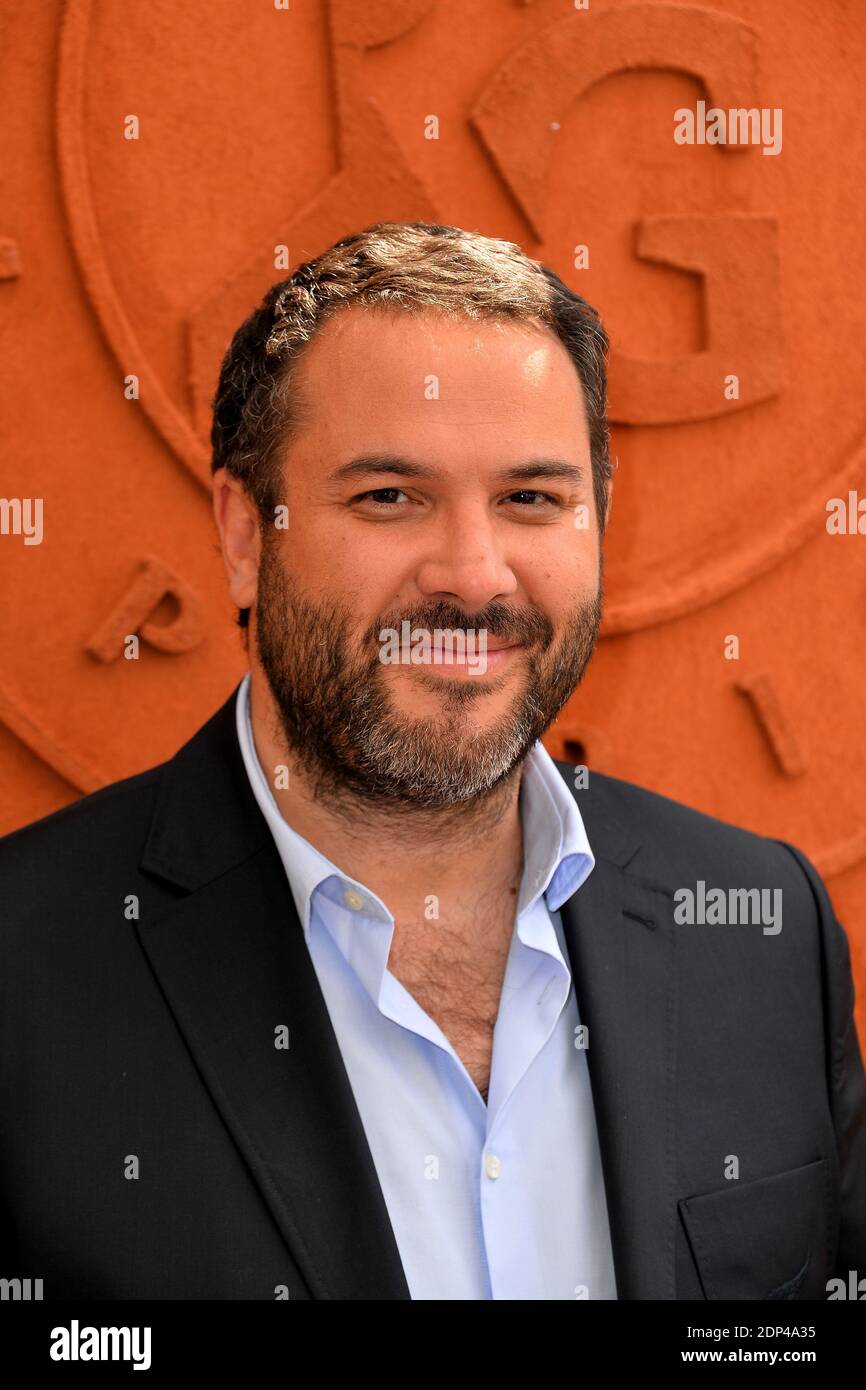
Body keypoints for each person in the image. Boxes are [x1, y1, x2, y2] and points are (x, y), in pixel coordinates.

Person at [1, 222, 863, 1300]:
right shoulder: (25, 966)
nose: (472, 574)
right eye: (388, 497)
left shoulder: (761, 927)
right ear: (241, 532)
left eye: (530, 499)